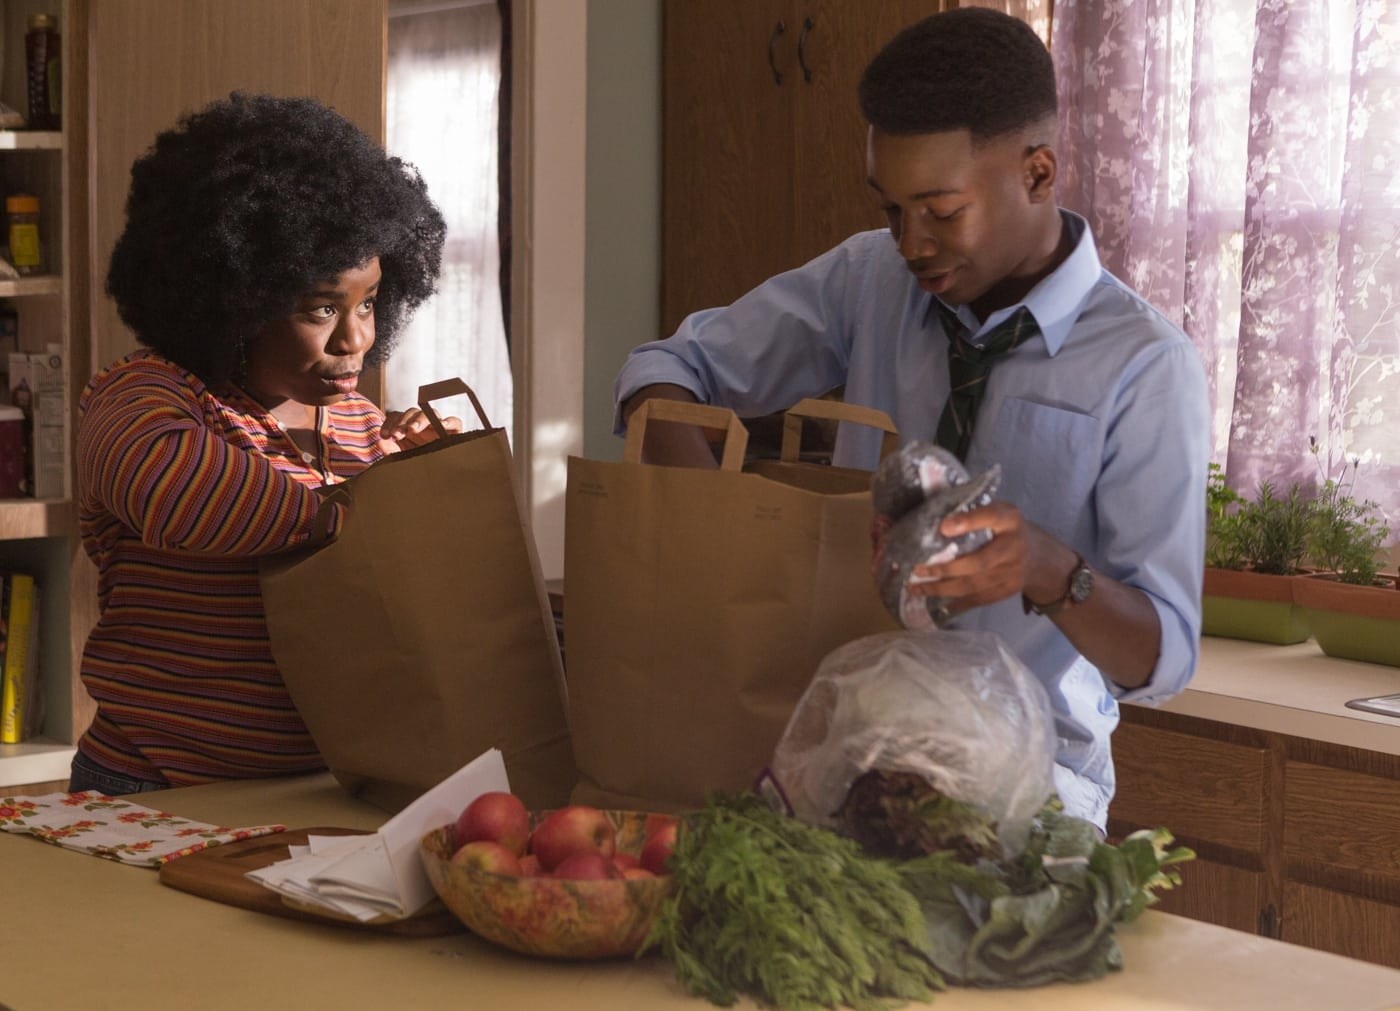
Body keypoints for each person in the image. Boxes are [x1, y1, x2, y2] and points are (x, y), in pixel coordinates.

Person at [613, 9, 1210, 831]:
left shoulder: (1146, 366)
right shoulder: (866, 284)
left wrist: (1044, 566)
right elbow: (665, 367)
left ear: (1038, 174)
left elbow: (1162, 655)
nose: (911, 244)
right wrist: (706, 507)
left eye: (940, 209)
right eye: (892, 210)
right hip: (841, 766)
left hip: (1032, 792)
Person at [69, 93, 453, 796]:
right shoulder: (142, 398)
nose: (356, 339)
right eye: (320, 308)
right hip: (150, 785)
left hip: (321, 786)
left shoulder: (366, 429)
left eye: (368, 302)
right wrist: (368, 508)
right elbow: (190, 498)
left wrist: (431, 480)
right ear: (234, 298)